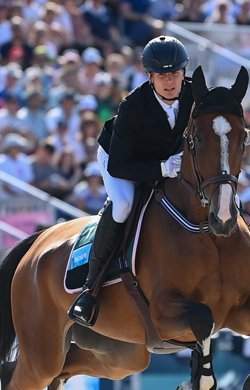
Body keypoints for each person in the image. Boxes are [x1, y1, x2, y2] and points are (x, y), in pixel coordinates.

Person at [69, 35, 194, 327]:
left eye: (175, 72)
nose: (169, 80)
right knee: (124, 204)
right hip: (119, 159)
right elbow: (120, 165)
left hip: (164, 158)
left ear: (184, 72)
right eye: (162, 75)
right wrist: (162, 169)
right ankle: (90, 288)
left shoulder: (193, 95)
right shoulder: (133, 106)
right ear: (149, 76)